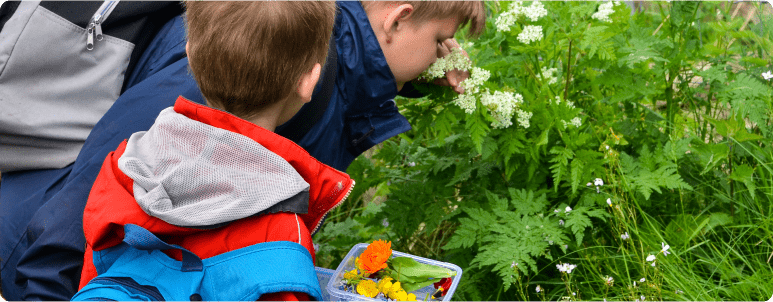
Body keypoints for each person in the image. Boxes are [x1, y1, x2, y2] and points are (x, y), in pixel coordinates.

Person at [0, 1, 487, 300]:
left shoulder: (294, 40)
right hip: (35, 246)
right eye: (442, 41)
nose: (444, 56)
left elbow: (367, 80)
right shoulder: (279, 238)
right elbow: (70, 218)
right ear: (399, 18)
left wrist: (431, 80)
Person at [74, 1, 338, 300]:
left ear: (190, 55)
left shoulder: (126, 166)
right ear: (309, 81)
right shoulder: (282, 233)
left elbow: (95, 272)